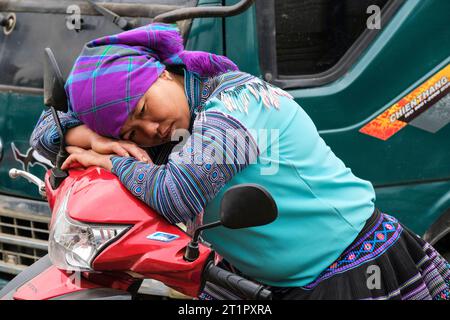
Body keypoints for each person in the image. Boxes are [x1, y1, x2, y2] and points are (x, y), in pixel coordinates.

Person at [30, 23, 450, 300]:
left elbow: (177, 194)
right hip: (259, 282)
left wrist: (104, 160)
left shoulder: (238, 104)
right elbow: (42, 134)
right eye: (129, 133)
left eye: (142, 108)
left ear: (158, 72)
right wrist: (86, 137)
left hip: (349, 272)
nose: (149, 130)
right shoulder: (167, 124)